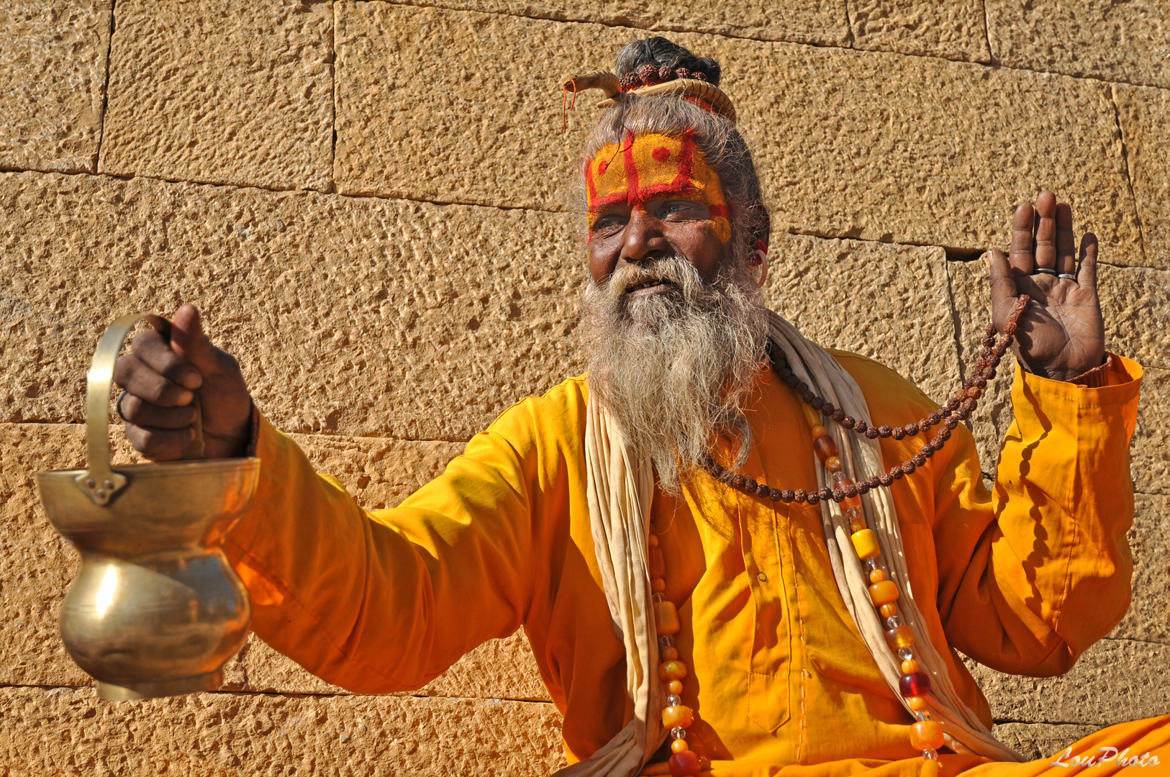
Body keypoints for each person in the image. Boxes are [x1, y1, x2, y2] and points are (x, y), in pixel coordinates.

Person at [114, 37, 1163, 777]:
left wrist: (1068, 395)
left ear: (754, 244)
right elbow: (392, 605)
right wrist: (237, 452)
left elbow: (1037, 622)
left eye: (672, 209)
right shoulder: (553, 445)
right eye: (609, 221)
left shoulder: (875, 413)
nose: (637, 245)